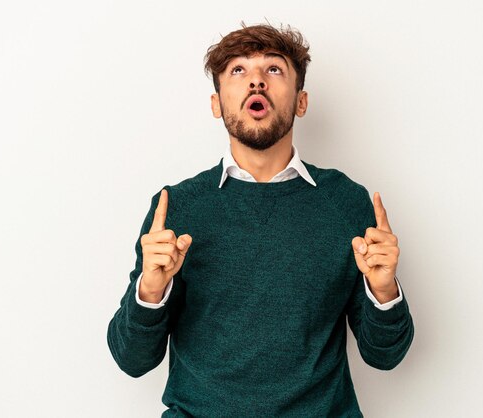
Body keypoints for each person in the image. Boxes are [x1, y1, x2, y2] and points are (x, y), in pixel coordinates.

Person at [107, 21, 414, 417]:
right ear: (217, 103)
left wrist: (384, 290)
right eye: (238, 70)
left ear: (301, 101)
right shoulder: (177, 207)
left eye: (273, 69)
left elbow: (385, 356)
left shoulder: (347, 202)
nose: (256, 81)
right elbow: (132, 360)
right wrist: (150, 290)